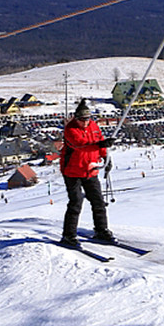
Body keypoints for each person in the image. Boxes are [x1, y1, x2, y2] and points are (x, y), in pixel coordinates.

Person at [60, 99, 115, 247]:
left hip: (90, 169)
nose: (85, 122)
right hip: (72, 171)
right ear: (76, 118)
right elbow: (80, 145)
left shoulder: (94, 126)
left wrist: (106, 157)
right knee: (76, 202)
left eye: (87, 119)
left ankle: (101, 229)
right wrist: (100, 145)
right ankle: (69, 235)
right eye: (81, 120)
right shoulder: (70, 130)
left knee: (98, 201)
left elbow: (100, 140)